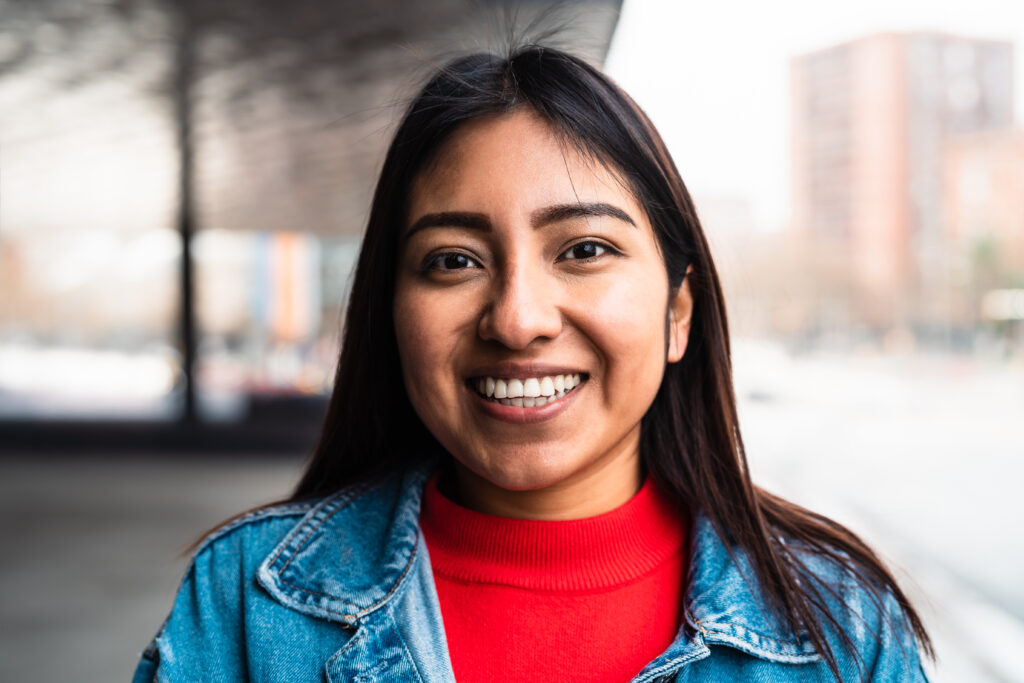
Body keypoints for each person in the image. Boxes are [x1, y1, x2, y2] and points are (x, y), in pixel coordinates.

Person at [134, 45, 933, 682]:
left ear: (677, 312)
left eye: (584, 249)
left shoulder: (841, 630)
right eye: (452, 261)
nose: (517, 320)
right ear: (391, 312)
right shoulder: (247, 601)